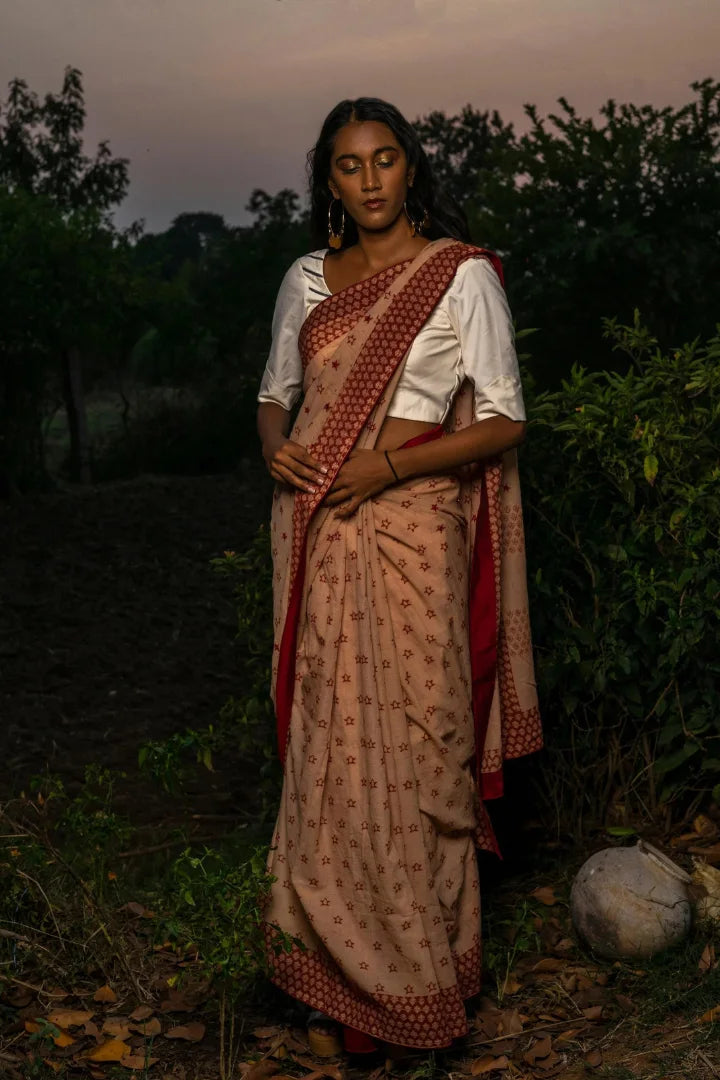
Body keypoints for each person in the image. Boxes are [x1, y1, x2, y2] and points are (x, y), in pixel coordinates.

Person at [256, 97, 542, 1056]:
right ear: (328, 181)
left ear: (411, 169)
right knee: (334, 754)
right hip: (321, 531)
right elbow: (273, 395)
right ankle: (343, 983)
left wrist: (388, 465)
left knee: (424, 747)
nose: (369, 179)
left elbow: (503, 420)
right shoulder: (308, 278)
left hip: (417, 524)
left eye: (385, 160)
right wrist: (275, 450)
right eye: (349, 165)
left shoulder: (458, 275)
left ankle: (422, 978)